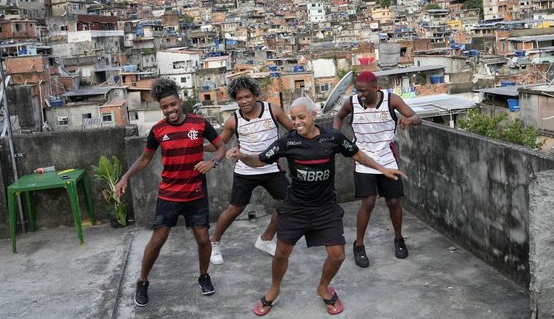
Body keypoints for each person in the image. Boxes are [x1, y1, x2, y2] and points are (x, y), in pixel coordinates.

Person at [227, 97, 405, 316]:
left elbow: (357, 154)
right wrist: (243, 155)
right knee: (281, 253)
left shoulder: (333, 137)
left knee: (338, 255)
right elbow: (260, 160)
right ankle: (274, 290)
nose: (296, 122)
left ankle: (323, 287)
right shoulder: (288, 141)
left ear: (313, 115)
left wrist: (382, 169)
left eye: (301, 117)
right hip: (296, 207)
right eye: (293, 118)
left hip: (325, 207)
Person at [115, 78, 226, 307]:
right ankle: (142, 282)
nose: (170, 110)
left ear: (180, 101)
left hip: (196, 193)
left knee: (203, 239)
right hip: (169, 194)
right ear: (161, 108)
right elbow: (145, 158)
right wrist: (126, 176)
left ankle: (204, 276)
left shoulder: (200, 124)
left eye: (173, 104)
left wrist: (212, 163)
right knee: (157, 240)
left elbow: (221, 147)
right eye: (165, 107)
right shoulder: (158, 131)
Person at [333, 71, 421, 266]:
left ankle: (398, 239)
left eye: (364, 91)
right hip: (363, 159)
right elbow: (339, 117)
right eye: (358, 90)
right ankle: (359, 245)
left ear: (375, 88)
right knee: (369, 202)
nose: (360, 94)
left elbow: (417, 118)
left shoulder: (392, 100)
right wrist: (335, 136)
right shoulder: (352, 103)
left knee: (393, 201)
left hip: (387, 159)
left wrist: (409, 120)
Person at [206, 76, 293, 265]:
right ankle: (214, 243)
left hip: (271, 168)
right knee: (234, 210)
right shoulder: (233, 121)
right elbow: (218, 144)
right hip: (245, 171)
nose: (244, 101)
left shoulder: (273, 111)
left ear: (255, 95)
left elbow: (293, 131)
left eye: (247, 97)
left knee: (288, 205)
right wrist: (198, 146)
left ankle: (266, 239)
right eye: (240, 98)